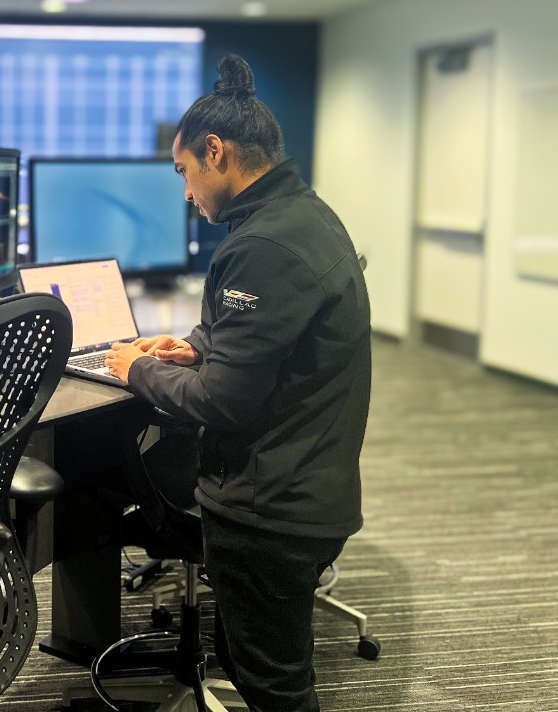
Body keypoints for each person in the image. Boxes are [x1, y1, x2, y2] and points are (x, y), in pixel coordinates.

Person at [104, 53, 372, 712]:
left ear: (215, 152)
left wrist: (134, 367)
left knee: (272, 686)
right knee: (253, 666)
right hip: (309, 489)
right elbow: (273, 339)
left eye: (185, 173)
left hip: (271, 512)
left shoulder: (262, 245)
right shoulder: (305, 215)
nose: (187, 194)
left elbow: (224, 402)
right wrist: (193, 347)